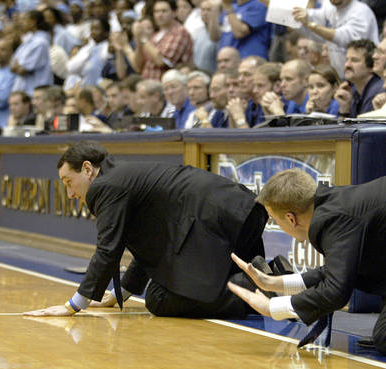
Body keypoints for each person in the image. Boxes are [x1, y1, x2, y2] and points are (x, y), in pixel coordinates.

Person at [24, 141, 268, 318]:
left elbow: (108, 250)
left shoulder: (106, 186)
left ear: (87, 169)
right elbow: (150, 248)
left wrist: (74, 305)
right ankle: (269, 277)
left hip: (219, 222)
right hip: (242, 213)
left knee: (159, 298)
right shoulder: (119, 178)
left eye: (69, 182)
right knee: (163, 288)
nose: (70, 194)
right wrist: (121, 293)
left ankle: (251, 291)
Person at [228, 168, 386, 354]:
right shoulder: (331, 204)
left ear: (290, 218)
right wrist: (274, 283)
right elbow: (339, 270)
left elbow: (336, 292)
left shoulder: (335, 222)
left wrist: (272, 308)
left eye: (274, 219)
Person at [291, 0, 379, 79]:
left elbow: (343, 38)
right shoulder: (330, 10)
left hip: (367, 77)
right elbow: (312, 19)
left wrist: (310, 24)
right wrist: (300, 14)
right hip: (342, 77)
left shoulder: (361, 11)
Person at [335, 39, 384, 118]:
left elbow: (363, 128)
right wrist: (344, 108)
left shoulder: (378, 90)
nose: (347, 65)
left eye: (354, 60)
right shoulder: (352, 90)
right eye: (347, 59)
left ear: (371, 66)